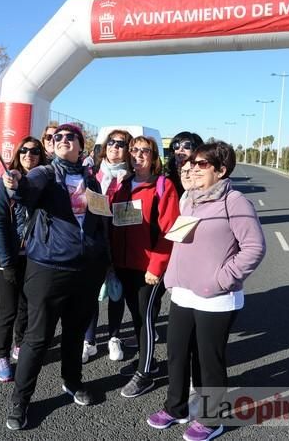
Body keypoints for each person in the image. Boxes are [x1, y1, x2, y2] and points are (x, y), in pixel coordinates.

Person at [146, 142, 266, 441]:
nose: (194, 169)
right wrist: (171, 275)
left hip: (216, 298)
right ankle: (176, 408)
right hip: (183, 293)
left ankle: (212, 420)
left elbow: (254, 247)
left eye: (202, 164)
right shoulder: (191, 199)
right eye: (192, 163)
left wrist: (221, 279)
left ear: (221, 170)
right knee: (176, 353)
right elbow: (179, 240)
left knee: (207, 361)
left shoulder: (235, 201)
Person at [2, 123, 109, 431]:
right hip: (48, 269)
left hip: (86, 270)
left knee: (75, 333)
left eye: (69, 136)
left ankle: (72, 381)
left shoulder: (92, 181)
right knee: (37, 338)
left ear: (80, 144)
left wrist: (104, 259)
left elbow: (101, 220)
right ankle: (20, 401)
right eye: (56, 137)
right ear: (51, 145)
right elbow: (25, 192)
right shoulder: (44, 174)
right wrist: (15, 183)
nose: (62, 140)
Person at [110, 136, 180, 398]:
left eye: (145, 151)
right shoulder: (123, 185)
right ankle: (146, 360)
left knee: (145, 319)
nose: (139, 155)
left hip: (150, 268)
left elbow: (168, 232)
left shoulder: (163, 186)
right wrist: (113, 262)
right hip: (125, 265)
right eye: (135, 150)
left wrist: (156, 266)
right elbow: (117, 226)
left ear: (154, 157)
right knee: (138, 317)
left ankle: (145, 373)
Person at [0, 137, 46, 382]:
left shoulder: (44, 182)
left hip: (34, 256)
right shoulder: (6, 182)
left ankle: (20, 343)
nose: (28, 154)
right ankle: (2, 355)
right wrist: (7, 260)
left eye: (34, 151)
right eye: (24, 150)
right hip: (7, 255)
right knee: (8, 308)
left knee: (27, 305)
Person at [82, 129, 133, 364]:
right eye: (111, 142)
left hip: (121, 243)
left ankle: (114, 337)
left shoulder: (132, 177)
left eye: (121, 144)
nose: (115, 147)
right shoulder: (90, 173)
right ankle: (89, 341)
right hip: (94, 242)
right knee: (90, 293)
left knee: (116, 292)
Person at [166, 131, 204, 197]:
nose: (181, 149)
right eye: (176, 145)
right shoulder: (169, 175)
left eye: (186, 146)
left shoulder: (203, 173)